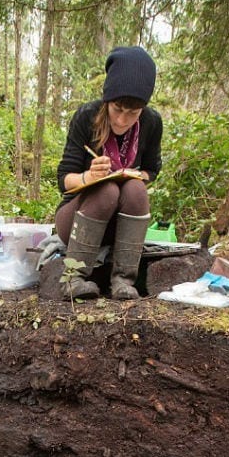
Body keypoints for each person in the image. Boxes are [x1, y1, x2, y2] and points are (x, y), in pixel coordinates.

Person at [55, 46, 163, 300]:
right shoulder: (87, 116)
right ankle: (74, 278)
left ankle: (123, 281)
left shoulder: (151, 122)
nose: (123, 120)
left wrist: (135, 175)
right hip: (77, 219)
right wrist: (89, 178)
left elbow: (152, 170)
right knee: (107, 189)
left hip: (121, 227)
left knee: (135, 188)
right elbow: (64, 179)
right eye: (117, 109)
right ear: (107, 100)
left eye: (133, 113)